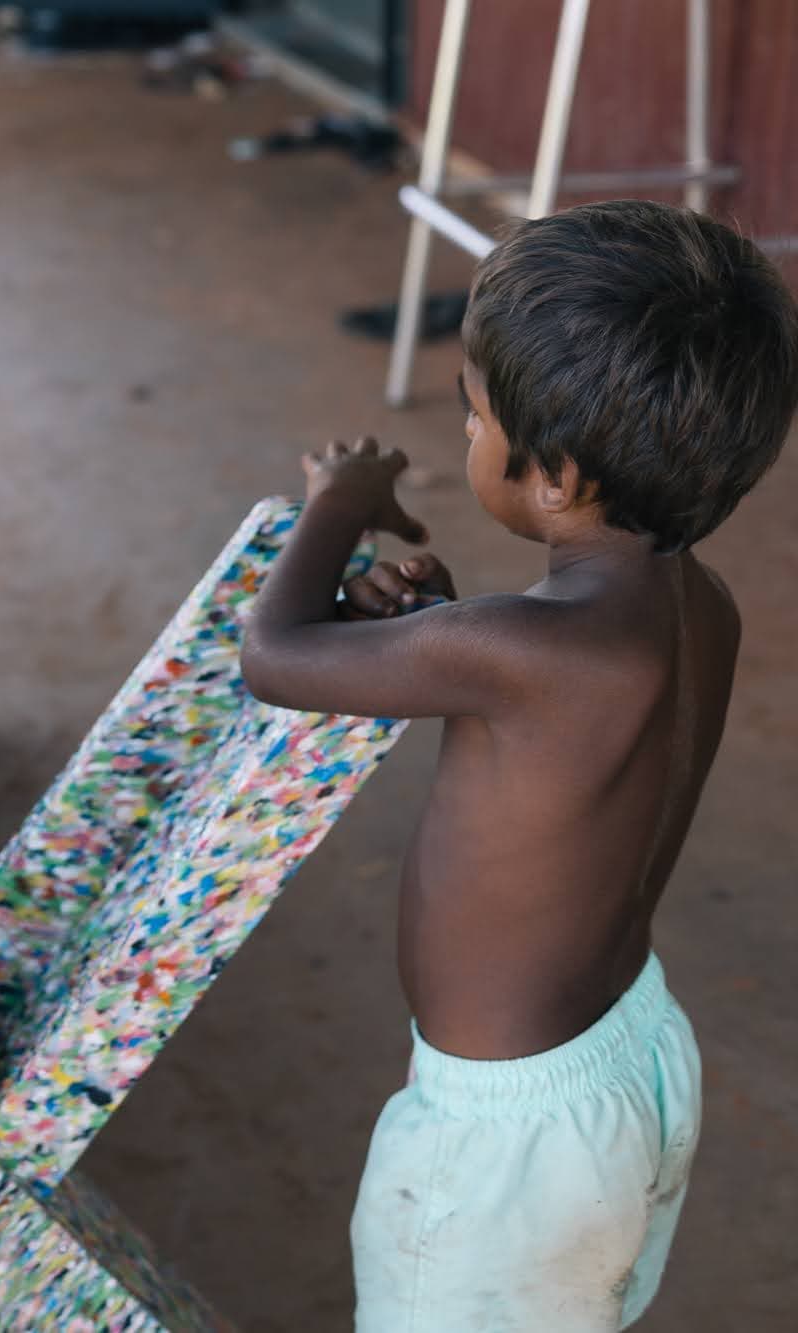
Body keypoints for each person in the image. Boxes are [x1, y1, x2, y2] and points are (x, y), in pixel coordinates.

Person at [242, 200, 798, 1330]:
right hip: (629, 1054)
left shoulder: (515, 651)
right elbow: (529, 717)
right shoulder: (698, 608)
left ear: (551, 477)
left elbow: (275, 656)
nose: (464, 437)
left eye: (472, 419)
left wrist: (336, 504)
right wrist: (426, 629)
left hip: (503, 1143)